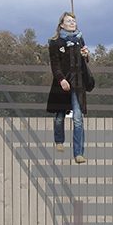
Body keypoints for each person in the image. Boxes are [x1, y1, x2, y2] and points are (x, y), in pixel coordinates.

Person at [45, 12, 92, 163]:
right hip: (63, 85)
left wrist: (86, 55)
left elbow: (84, 61)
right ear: (61, 25)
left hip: (78, 84)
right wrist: (61, 79)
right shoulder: (55, 42)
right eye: (69, 21)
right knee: (59, 117)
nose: (72, 23)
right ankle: (59, 140)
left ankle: (79, 153)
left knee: (78, 119)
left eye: (74, 20)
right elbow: (55, 65)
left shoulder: (79, 39)